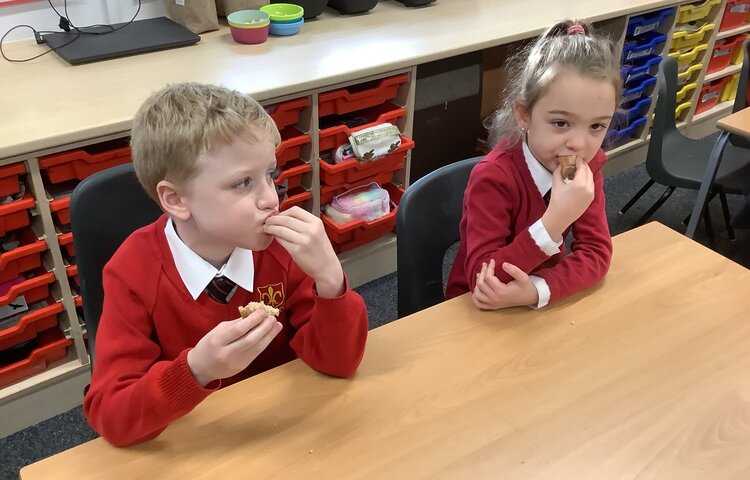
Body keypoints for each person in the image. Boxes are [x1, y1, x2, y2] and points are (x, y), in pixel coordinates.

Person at [84, 83, 368, 447]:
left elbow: (339, 364)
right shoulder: (132, 272)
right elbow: (112, 416)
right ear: (176, 199)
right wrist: (196, 370)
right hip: (198, 445)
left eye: (270, 174)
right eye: (243, 183)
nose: (270, 199)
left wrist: (330, 281)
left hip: (289, 431)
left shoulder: (279, 249)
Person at [445, 20, 621, 310]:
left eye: (597, 126)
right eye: (561, 123)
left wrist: (538, 291)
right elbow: (483, 278)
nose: (579, 144)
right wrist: (553, 223)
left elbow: (597, 252)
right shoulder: (494, 177)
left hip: (536, 302)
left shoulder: (587, 166)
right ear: (524, 115)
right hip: (477, 307)